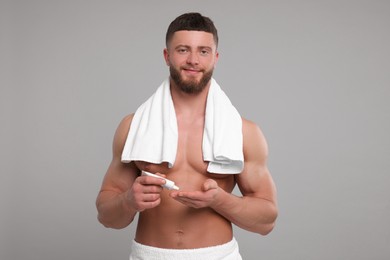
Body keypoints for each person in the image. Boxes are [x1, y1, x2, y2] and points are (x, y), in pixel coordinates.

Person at [96, 12, 278, 259]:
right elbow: (106, 217)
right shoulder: (133, 126)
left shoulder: (244, 132)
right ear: (167, 56)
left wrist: (220, 201)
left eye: (203, 51)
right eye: (183, 50)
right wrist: (128, 201)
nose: (193, 60)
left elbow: (266, 221)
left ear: (215, 58)